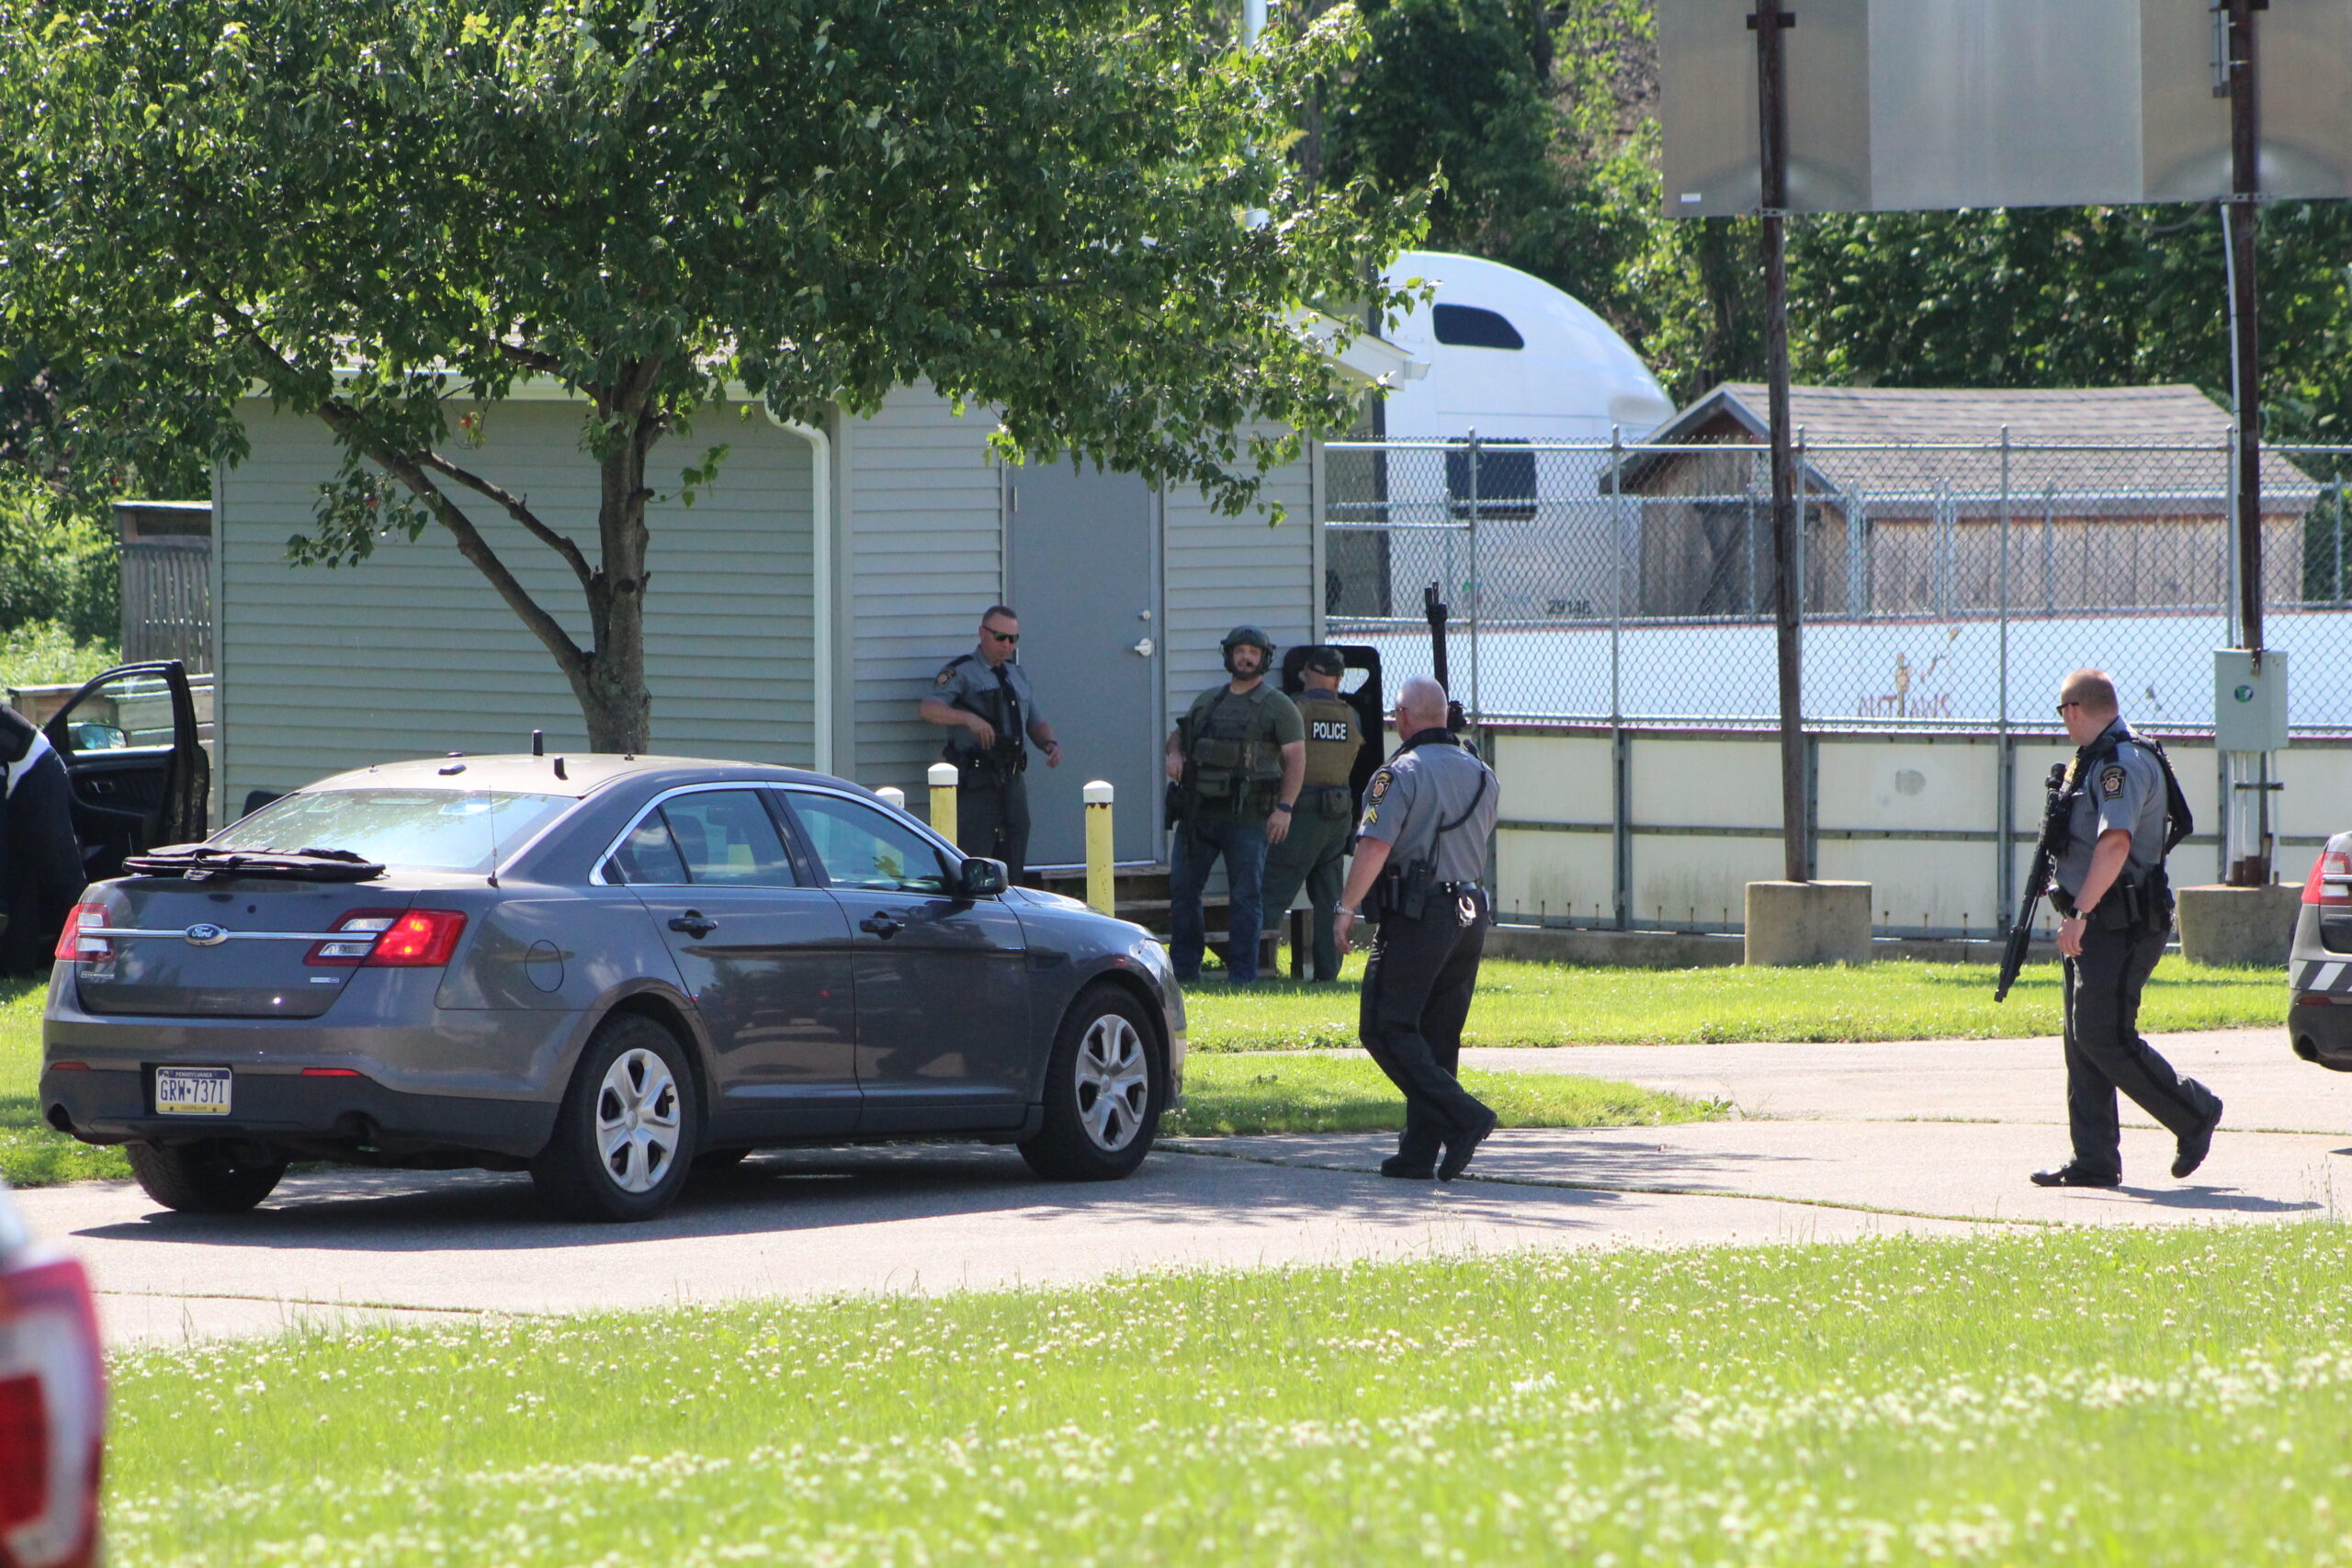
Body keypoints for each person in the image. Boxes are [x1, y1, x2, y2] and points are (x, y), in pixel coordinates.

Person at [2032, 668, 2222, 1190]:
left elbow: (2115, 843)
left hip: (2120, 921)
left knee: (2103, 1034)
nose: (2063, 723)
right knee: (2082, 1037)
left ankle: (2194, 1112)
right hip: (2097, 920)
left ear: (2074, 710)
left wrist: (2082, 914)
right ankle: (2094, 1160)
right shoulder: (2090, 760)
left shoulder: (2122, 762)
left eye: (2062, 713)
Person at [1334, 676, 1500, 1181]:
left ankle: (1465, 1117)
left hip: (1420, 913)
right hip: (1470, 911)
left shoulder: (1397, 774)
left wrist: (1346, 909)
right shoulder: (1482, 773)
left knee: (1385, 1026)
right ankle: (1419, 1152)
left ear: (1402, 717)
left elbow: (1374, 846)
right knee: (1437, 1035)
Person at [1163, 626, 1304, 985]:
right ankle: (1184, 972)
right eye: (1240, 651)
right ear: (1229, 656)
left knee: (1245, 896)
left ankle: (1243, 976)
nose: (1246, 658)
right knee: (1182, 890)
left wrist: (1284, 808)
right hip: (1199, 814)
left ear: (1263, 658)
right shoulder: (1208, 700)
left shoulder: (1278, 706)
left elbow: (1296, 759)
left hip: (1250, 817)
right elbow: (1179, 735)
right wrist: (1175, 754)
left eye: (1253, 652)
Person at [919, 605, 1060, 882]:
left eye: (1013, 639)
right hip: (977, 780)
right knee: (975, 856)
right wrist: (968, 718)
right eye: (1000, 637)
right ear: (982, 633)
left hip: (1012, 779)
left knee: (1015, 851)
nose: (1007, 645)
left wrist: (1049, 743)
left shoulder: (1017, 675)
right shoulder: (961, 673)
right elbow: (928, 709)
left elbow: (1035, 720)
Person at [1260, 647, 1361, 981]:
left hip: (1302, 811)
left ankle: (1258, 968)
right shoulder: (1351, 714)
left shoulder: (1294, 708)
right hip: (1339, 811)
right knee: (1330, 898)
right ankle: (1327, 973)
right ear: (1338, 678)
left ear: (1306, 673)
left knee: (1272, 893)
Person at [0, 705, 87, 976]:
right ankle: (17, 966)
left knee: (62, 870)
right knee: (19, 875)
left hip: (41, 773)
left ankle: (91, 952)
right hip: (16, 780)